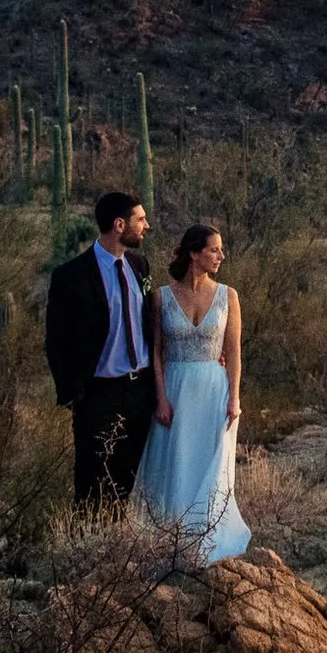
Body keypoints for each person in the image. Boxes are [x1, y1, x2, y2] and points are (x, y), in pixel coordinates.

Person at [137, 223, 249, 562]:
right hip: (175, 387)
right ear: (193, 253)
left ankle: (206, 538)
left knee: (208, 466)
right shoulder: (161, 297)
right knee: (175, 462)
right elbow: (155, 351)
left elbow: (234, 351)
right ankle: (172, 537)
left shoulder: (228, 295)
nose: (220, 256)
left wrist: (234, 398)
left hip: (213, 391)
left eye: (220, 249)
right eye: (214, 249)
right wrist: (160, 398)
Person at [44, 190, 157, 508]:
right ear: (119, 225)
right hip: (98, 393)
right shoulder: (72, 276)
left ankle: (121, 546)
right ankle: (88, 547)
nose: (146, 226)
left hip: (140, 390)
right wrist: (71, 393)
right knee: (92, 480)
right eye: (141, 219)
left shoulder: (140, 265)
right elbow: (56, 340)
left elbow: (150, 323)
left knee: (129, 477)